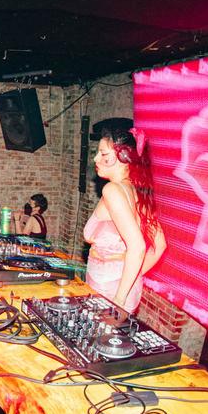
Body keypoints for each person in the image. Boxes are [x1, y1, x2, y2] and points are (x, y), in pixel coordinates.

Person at [83, 126, 167, 313]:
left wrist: (119, 299)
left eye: (103, 154)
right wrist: (130, 278)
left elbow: (138, 247)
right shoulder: (136, 191)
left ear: (123, 157)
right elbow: (160, 246)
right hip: (118, 288)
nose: (96, 159)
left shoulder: (112, 190)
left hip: (109, 293)